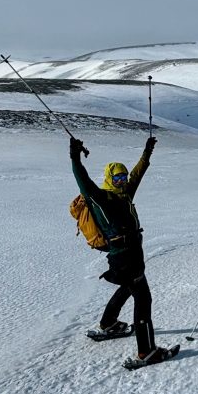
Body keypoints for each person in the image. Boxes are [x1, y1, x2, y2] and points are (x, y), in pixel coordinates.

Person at [69, 133, 170, 364]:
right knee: (143, 300)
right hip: (125, 257)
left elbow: (138, 174)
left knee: (128, 288)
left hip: (130, 255)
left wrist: (147, 152)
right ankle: (147, 351)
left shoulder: (124, 195)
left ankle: (108, 323)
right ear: (109, 179)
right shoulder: (102, 198)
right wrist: (75, 157)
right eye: (118, 178)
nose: (123, 181)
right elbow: (82, 180)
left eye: (123, 177)